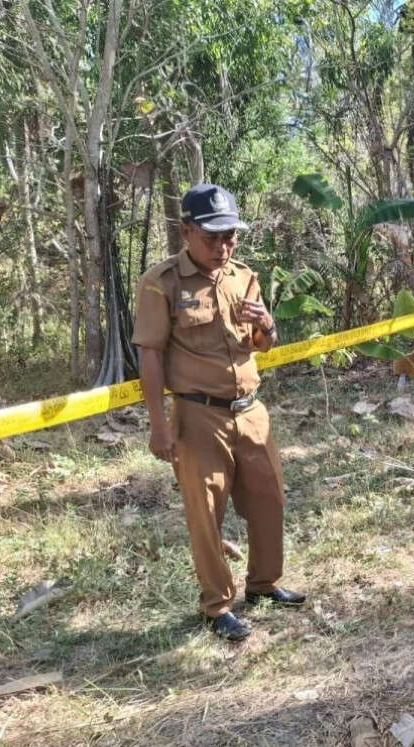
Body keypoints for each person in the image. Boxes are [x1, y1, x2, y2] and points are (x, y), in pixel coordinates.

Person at [133, 183, 306, 641]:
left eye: (230, 236)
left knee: (270, 500)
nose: (222, 246)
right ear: (186, 231)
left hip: (251, 411)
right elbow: (150, 355)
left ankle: (265, 584)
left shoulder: (244, 276)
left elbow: (262, 343)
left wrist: (267, 323)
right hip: (197, 416)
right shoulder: (161, 282)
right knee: (206, 514)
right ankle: (217, 606)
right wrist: (157, 424)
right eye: (212, 237)